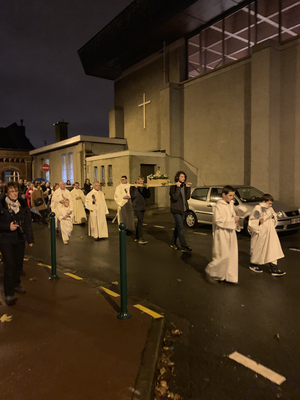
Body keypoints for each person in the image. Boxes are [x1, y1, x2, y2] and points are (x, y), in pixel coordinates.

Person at [0, 181, 34, 305]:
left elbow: (28, 222)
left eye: (15, 191)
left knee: (18, 263)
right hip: (6, 239)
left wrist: (30, 238)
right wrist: (7, 226)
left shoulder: (22, 203)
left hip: (20, 238)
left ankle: (16, 284)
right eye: (11, 191)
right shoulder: (1, 204)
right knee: (9, 264)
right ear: (6, 193)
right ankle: (9, 293)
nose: (14, 194)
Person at [205, 185, 240, 284]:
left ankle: (229, 276)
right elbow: (218, 221)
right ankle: (212, 272)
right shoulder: (218, 206)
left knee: (231, 254)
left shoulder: (230, 205)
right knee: (223, 254)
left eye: (233, 195)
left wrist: (235, 222)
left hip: (230, 233)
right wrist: (232, 220)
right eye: (230, 195)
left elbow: (232, 217)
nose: (231, 198)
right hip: (221, 233)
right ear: (223, 195)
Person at [248, 193, 286, 276]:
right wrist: (258, 221)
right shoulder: (257, 209)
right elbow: (252, 221)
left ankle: (274, 268)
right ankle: (253, 264)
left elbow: (274, 217)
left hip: (270, 232)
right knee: (259, 249)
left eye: (271, 204)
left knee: (272, 249)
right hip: (261, 233)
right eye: (269, 203)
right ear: (264, 201)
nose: (270, 205)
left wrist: (272, 217)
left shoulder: (270, 209)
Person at [169, 171, 192, 253]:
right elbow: (175, 197)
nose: (183, 178)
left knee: (178, 227)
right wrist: (178, 187)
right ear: (177, 177)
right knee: (181, 228)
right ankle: (183, 246)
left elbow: (187, 197)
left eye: (184, 177)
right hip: (176, 210)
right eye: (182, 176)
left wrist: (188, 188)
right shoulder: (173, 186)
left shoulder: (184, 186)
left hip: (183, 209)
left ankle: (173, 242)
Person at [130, 176, 150, 244]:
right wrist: (136, 189)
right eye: (140, 180)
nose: (141, 181)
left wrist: (147, 189)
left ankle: (136, 237)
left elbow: (147, 196)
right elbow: (133, 196)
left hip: (142, 206)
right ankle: (140, 238)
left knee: (140, 221)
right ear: (137, 180)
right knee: (140, 221)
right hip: (136, 206)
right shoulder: (133, 187)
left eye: (142, 180)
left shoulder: (143, 187)